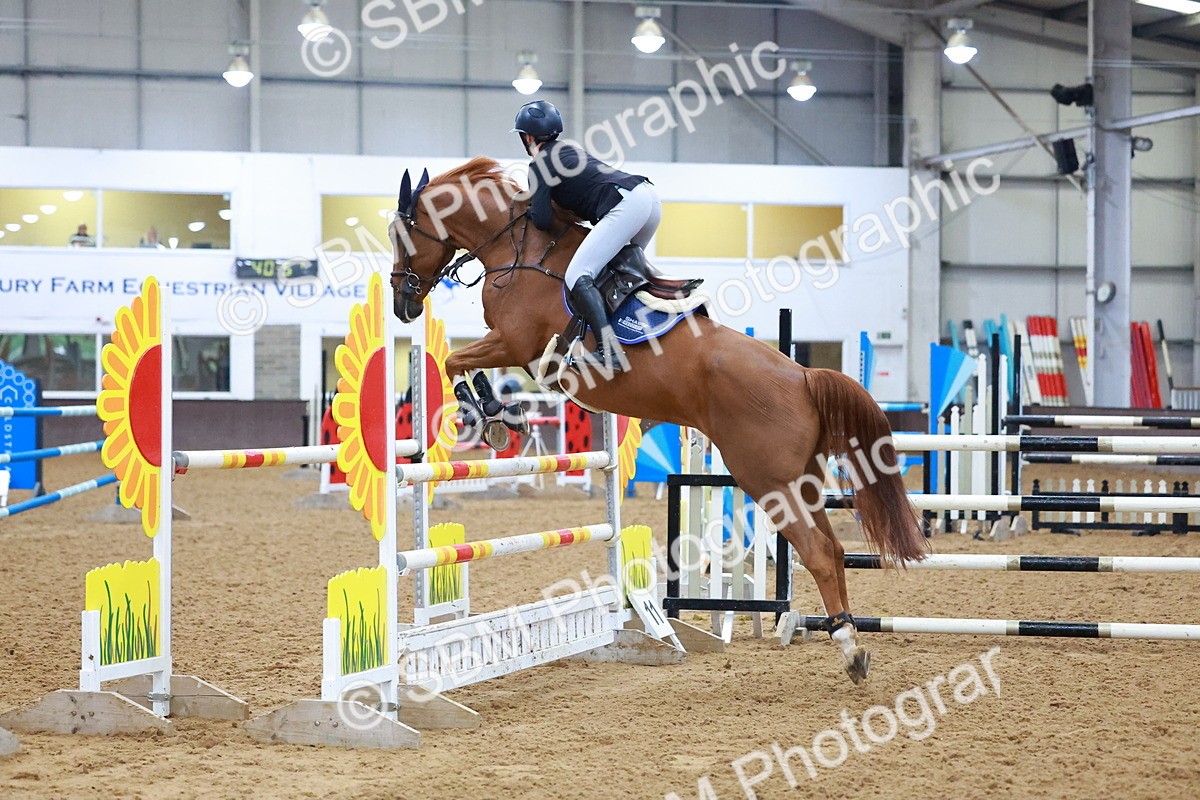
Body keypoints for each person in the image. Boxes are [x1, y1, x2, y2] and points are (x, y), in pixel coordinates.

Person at [514, 99, 661, 372]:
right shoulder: (568, 151)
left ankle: (610, 351)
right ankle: (637, 329)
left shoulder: (540, 164)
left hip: (626, 204)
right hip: (648, 198)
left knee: (578, 275)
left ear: (528, 137)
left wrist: (529, 207)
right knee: (618, 273)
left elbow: (543, 220)